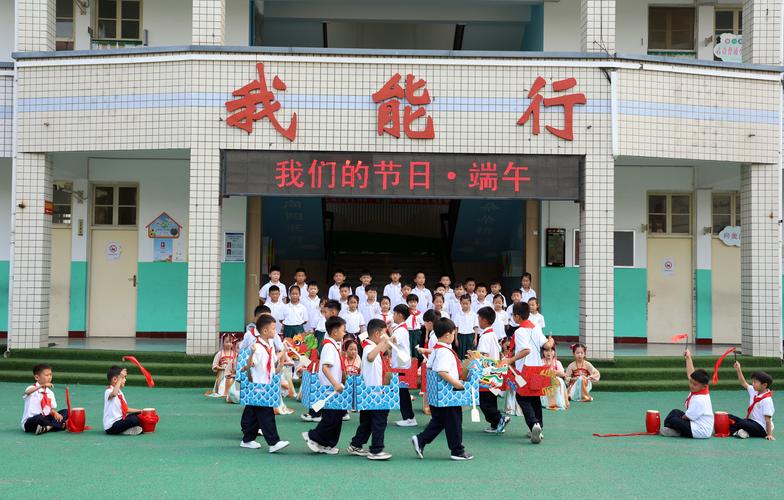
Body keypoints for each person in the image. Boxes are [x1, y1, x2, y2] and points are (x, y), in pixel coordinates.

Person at [411, 318, 474, 461]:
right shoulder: (444, 352)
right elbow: (442, 372)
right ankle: (457, 450)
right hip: (448, 393)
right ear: (447, 335)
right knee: (454, 421)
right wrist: (458, 384)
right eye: (453, 333)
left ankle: (421, 440)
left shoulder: (438, 350)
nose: (454, 336)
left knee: (439, 421)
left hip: (437, 394)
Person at [504, 301, 554, 444]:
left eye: (513, 315)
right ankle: (539, 427)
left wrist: (510, 360)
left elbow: (526, 350)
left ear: (518, 317)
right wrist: (550, 340)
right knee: (535, 398)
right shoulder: (536, 328)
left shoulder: (519, 332)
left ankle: (533, 424)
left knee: (522, 398)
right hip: (538, 368)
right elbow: (547, 345)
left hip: (524, 369)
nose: (512, 317)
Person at [240, 315, 291, 453]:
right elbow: (250, 364)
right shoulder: (256, 346)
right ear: (265, 331)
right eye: (273, 328)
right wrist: (251, 354)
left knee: (255, 414)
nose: (276, 331)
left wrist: (284, 351)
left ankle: (247, 440)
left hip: (267, 385)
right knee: (267, 414)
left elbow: (273, 359)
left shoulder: (269, 345)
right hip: (259, 385)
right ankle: (273, 442)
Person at [347, 319, 393, 460]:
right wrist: (383, 342)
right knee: (379, 421)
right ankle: (376, 450)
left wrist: (389, 340)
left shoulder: (372, 345)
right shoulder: (368, 347)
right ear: (377, 333)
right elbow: (371, 356)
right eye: (383, 334)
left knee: (367, 422)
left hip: (369, 392)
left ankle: (356, 445)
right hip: (374, 392)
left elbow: (379, 351)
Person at [303, 316, 348, 455]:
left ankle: (327, 444)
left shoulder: (334, 345)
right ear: (334, 332)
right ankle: (313, 436)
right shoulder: (328, 346)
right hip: (330, 387)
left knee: (336, 417)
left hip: (335, 387)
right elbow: (325, 368)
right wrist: (335, 384)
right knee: (331, 418)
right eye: (343, 330)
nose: (344, 333)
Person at [660, 349, 714, 439]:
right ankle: (674, 429)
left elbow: (686, 417)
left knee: (674, 419)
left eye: (695, 384)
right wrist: (688, 358)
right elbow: (691, 374)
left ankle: (676, 431)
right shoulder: (701, 388)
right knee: (675, 412)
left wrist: (677, 420)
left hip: (701, 430)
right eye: (691, 382)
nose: (692, 386)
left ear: (704, 386)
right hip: (695, 422)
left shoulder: (700, 400)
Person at [476, 307, 510, 434]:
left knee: (483, 401)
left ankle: (500, 418)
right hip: (495, 372)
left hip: (486, 372)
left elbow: (483, 356)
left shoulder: (485, 336)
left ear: (484, 320)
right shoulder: (493, 334)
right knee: (491, 399)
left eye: (479, 318)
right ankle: (496, 424)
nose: (478, 321)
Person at [729, 361, 775, 440]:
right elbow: (743, 383)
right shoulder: (754, 390)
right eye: (752, 381)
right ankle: (742, 432)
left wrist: (769, 434)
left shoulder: (767, 400)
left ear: (764, 385)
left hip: (762, 428)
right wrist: (738, 369)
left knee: (742, 423)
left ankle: (736, 432)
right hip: (752, 423)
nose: (752, 384)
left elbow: (768, 420)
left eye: (755, 382)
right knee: (728, 417)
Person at [21, 364, 68, 434]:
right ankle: (58, 425)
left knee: (66, 412)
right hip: (31, 421)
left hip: (45, 418)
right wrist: (42, 386)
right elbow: (27, 392)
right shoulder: (31, 388)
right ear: (37, 377)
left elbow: (50, 409)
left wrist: (55, 413)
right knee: (39, 418)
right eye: (46, 375)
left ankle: (47, 428)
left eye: (50, 375)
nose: (49, 377)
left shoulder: (50, 393)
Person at [389, 304, 416, 427]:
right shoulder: (401, 328)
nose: (393, 316)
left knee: (403, 392)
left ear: (400, 315)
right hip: (401, 364)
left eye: (394, 313)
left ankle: (409, 417)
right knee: (402, 392)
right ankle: (408, 417)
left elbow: (391, 342)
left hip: (401, 366)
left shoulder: (400, 330)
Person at [104, 365, 145, 435]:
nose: (125, 380)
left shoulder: (120, 392)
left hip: (121, 421)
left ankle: (125, 430)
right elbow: (114, 394)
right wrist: (120, 377)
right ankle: (125, 430)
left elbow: (125, 409)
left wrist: (140, 411)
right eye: (123, 378)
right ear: (115, 380)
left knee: (139, 416)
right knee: (134, 420)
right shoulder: (108, 391)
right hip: (111, 426)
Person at [208, 334, 237, 398]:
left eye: (231, 342)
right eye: (227, 342)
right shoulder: (219, 353)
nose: (229, 344)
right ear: (223, 342)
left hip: (231, 374)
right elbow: (214, 365)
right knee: (222, 389)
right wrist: (222, 368)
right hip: (222, 374)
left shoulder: (235, 354)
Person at [541, 344, 569, 411]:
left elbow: (562, 373)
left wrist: (552, 372)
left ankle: (558, 402)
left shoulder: (557, 362)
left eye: (551, 351)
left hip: (556, 380)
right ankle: (548, 403)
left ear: (554, 352)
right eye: (547, 351)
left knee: (558, 380)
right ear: (543, 352)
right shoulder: (540, 361)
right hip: (544, 381)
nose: (549, 353)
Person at [454, 295, 479, 359]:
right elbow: (456, 328)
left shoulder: (474, 315)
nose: (465, 305)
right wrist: (456, 339)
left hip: (470, 336)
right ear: (460, 303)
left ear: (470, 303)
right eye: (463, 303)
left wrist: (475, 338)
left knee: (470, 353)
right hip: (461, 336)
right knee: (461, 352)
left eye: (467, 303)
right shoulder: (457, 314)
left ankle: (470, 367)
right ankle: (462, 367)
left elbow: (476, 327)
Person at [405, 294, 424, 360]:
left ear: (417, 302)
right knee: (409, 346)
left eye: (414, 302)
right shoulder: (406, 313)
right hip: (408, 332)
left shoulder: (420, 314)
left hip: (417, 332)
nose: (413, 304)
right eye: (411, 302)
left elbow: (422, 324)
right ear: (407, 303)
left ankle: (416, 360)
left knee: (416, 347)